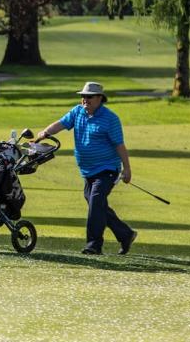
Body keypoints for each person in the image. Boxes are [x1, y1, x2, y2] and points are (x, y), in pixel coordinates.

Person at [35, 81, 137, 255]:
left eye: (89, 97)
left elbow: (120, 146)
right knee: (97, 205)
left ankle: (94, 245)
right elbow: (60, 124)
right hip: (88, 170)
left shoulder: (110, 119)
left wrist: (127, 170)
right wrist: (44, 134)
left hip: (107, 169)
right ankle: (125, 234)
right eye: (83, 96)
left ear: (99, 98)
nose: (85, 100)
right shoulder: (78, 112)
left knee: (96, 201)